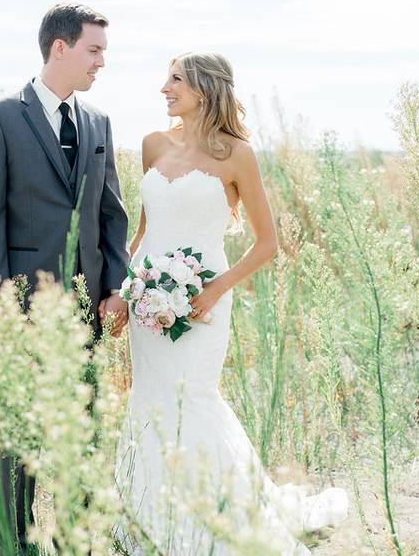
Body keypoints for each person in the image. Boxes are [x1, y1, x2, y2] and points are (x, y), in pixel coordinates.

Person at [115, 52, 348, 555]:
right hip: (146, 304)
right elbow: (142, 231)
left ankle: (217, 525)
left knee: (194, 398)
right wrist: (122, 288)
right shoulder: (152, 145)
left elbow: (267, 243)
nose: (164, 89)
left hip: (204, 302)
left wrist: (217, 287)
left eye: (174, 80)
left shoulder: (238, 154)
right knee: (150, 401)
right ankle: (153, 519)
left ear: (203, 87)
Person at [0, 2, 130, 556]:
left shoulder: (98, 123)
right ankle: (17, 548)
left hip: (85, 311)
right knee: (20, 442)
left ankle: (75, 545)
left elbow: (111, 213)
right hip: (23, 310)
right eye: (94, 50)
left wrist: (113, 288)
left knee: (80, 439)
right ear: (59, 48)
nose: (102, 63)